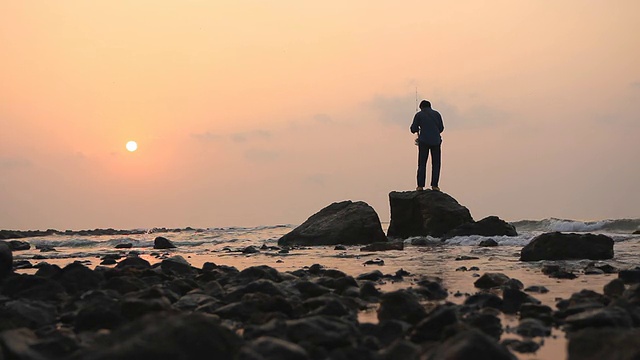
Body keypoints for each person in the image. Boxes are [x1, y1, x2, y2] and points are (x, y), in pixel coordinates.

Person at [410, 100, 444, 191]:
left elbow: (413, 129)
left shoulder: (419, 115)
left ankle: (420, 186)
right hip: (436, 141)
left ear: (421, 107)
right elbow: (441, 128)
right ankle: (435, 186)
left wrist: (419, 129)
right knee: (436, 164)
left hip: (423, 142)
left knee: (422, 164)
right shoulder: (437, 114)